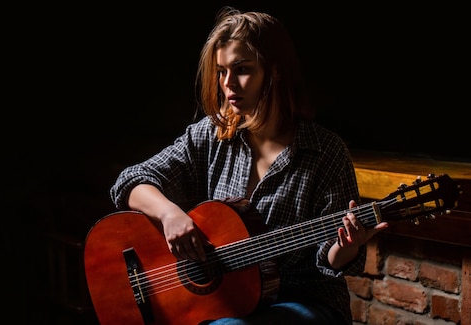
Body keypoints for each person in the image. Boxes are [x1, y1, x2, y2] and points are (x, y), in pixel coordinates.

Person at [109, 6, 388, 325]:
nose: (229, 84)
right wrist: (169, 213)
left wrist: (345, 245)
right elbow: (131, 181)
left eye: (242, 69)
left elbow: (330, 261)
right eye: (222, 71)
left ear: (275, 70)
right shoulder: (212, 135)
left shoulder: (325, 151)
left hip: (304, 302)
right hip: (232, 299)